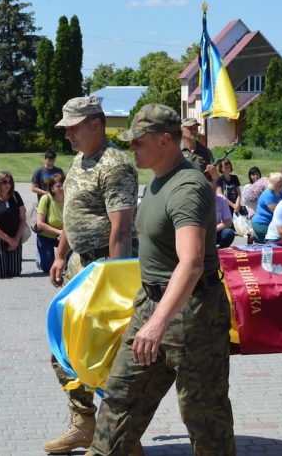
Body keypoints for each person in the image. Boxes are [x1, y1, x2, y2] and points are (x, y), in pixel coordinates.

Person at [85, 104, 233, 455]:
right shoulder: (157, 182)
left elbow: (192, 262)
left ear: (165, 140)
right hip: (152, 305)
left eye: (138, 142)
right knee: (120, 397)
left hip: (191, 315)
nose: (132, 148)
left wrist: (157, 323)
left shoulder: (187, 187)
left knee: (203, 416)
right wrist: (149, 317)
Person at [44, 95, 139, 455]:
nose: (68, 134)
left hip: (104, 270)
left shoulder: (115, 164)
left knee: (106, 354)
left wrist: (114, 283)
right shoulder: (79, 160)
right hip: (78, 267)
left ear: (96, 124)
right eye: (66, 128)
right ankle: (83, 422)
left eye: (74, 127)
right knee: (65, 349)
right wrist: (60, 253)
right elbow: (72, 210)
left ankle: (124, 437)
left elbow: (121, 228)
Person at [34, 173, 68, 273]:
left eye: (63, 185)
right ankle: (40, 257)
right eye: (58, 186)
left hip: (63, 237)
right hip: (45, 236)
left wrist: (63, 234)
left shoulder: (69, 199)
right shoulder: (46, 199)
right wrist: (59, 232)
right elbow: (39, 223)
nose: (62, 188)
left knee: (61, 267)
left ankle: (63, 258)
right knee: (48, 268)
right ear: (52, 188)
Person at [250, 173, 282, 243]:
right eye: (278, 182)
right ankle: (256, 236)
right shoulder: (268, 194)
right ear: (273, 183)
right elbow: (276, 212)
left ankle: (254, 236)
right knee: (274, 238)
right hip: (261, 223)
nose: (281, 183)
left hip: (272, 223)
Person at [207, 168, 237, 248]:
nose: (212, 191)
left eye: (213, 189)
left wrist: (213, 230)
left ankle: (220, 251)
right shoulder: (199, 201)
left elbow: (228, 222)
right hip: (202, 232)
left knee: (229, 233)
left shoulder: (221, 199)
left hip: (215, 230)